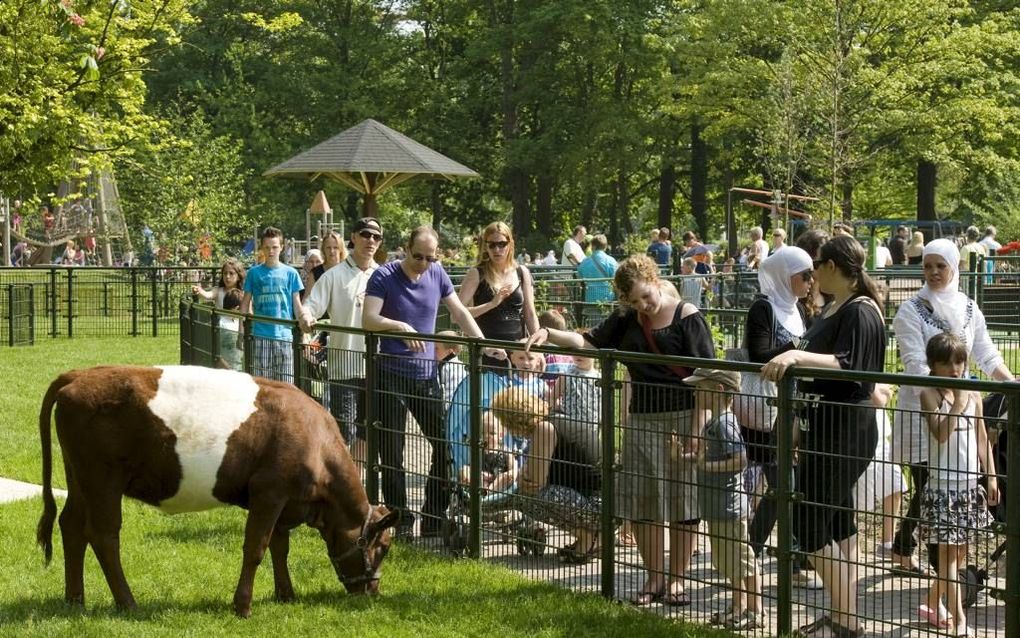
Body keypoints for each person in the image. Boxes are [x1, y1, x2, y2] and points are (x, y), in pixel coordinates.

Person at [525, 254, 714, 606]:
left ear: (654, 279)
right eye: (636, 301)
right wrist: (550, 334)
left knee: (684, 504)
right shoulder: (628, 318)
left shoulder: (688, 316)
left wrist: (697, 430)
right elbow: (590, 343)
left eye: (647, 296)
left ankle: (677, 580)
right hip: (642, 418)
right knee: (644, 505)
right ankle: (654, 578)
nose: (645, 305)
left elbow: (706, 380)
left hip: (684, 418)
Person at [760, 235, 887, 638]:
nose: (812, 273)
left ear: (833, 267)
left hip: (847, 429)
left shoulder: (861, 311)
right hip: (822, 427)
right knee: (840, 523)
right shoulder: (833, 307)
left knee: (810, 523)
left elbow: (851, 367)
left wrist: (795, 355)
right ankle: (840, 617)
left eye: (817, 265)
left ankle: (846, 622)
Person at [361, 225, 505, 538]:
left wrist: (482, 342)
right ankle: (400, 520)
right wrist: (400, 326)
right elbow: (368, 319)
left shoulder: (437, 273)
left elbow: (460, 312)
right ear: (404, 248)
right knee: (392, 451)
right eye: (418, 257)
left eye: (430, 257)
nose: (424, 263)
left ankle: (433, 516)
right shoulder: (384, 276)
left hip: (426, 376)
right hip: (390, 373)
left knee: (445, 444)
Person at [889, 238, 1014, 577]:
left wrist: (1011, 384)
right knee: (930, 485)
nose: (932, 272)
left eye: (940, 266)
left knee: (943, 487)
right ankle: (945, 576)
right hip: (926, 407)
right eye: (927, 266)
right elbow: (915, 363)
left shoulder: (969, 308)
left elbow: (986, 355)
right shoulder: (910, 310)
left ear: (953, 268)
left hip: (963, 410)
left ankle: (906, 550)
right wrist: (953, 393)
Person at [741, 247, 820, 588]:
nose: (809, 281)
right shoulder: (764, 307)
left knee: (784, 485)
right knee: (785, 484)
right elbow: (759, 353)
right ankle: (792, 561)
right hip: (763, 409)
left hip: (790, 408)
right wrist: (799, 351)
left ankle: (751, 551)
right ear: (785, 275)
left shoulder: (799, 309)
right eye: (804, 275)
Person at [917, 332, 998, 636]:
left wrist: (990, 476)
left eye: (960, 362)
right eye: (946, 363)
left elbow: (981, 438)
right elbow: (940, 434)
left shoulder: (974, 394)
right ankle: (960, 618)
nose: (955, 369)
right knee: (948, 556)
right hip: (943, 488)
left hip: (969, 487)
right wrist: (957, 402)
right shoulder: (930, 394)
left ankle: (929, 601)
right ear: (933, 365)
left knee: (960, 553)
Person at [683, 368, 764, 631]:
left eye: (699, 386)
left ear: (717, 390)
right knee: (730, 562)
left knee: (742, 561)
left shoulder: (724, 423)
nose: (695, 391)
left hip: (729, 507)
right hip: (717, 507)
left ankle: (755, 611)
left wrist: (706, 467)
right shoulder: (714, 421)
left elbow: (740, 460)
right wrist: (683, 458)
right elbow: (707, 458)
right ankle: (738, 607)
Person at [484, 388, 603, 563]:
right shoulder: (557, 416)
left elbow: (534, 483)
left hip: (597, 506)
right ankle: (590, 537)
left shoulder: (544, 429)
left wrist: (522, 476)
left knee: (525, 498)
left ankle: (590, 539)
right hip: (605, 503)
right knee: (527, 493)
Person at [300, 217, 384, 462]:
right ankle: (336, 486)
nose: (371, 241)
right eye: (366, 235)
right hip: (343, 368)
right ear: (354, 237)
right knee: (343, 434)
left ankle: (355, 485)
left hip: (376, 368)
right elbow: (310, 306)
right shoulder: (333, 276)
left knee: (370, 433)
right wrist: (306, 317)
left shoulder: (383, 276)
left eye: (376, 237)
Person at [457, 222, 540, 372]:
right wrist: (491, 304)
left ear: (510, 244)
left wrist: (537, 350)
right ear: (485, 246)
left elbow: (530, 313)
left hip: (518, 353)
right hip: (487, 351)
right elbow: (456, 315)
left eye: (502, 244)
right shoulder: (476, 274)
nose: (497, 249)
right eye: (492, 245)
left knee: (518, 396)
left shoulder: (522, 272)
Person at [240, 227, 305, 382]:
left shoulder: (291, 273)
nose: (271, 251)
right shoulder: (253, 273)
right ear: (262, 248)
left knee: (286, 385)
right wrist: (241, 332)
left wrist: (303, 329)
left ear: (281, 247)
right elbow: (245, 304)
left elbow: (297, 304)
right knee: (262, 385)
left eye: (275, 247)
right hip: (261, 335)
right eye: (267, 247)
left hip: (285, 336)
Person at [192, 258, 247, 370]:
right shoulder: (219, 290)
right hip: (220, 332)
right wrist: (200, 291)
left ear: (239, 275)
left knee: (235, 361)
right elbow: (208, 295)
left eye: (231, 273)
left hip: (236, 332)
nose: (227, 276)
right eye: (225, 273)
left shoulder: (244, 293)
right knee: (220, 360)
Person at [457, 410, 518, 494]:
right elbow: (472, 466)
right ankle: (475, 491)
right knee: (464, 469)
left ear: (501, 435)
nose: (487, 436)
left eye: (492, 433)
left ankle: (486, 492)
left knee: (505, 477)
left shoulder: (505, 451)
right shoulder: (479, 450)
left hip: (497, 485)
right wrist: (466, 471)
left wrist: (512, 472)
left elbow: (513, 468)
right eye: (483, 433)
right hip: (481, 480)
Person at [576, 234, 618, 326]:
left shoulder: (585, 262)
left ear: (593, 246)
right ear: (605, 246)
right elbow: (616, 281)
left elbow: (579, 280)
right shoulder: (611, 261)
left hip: (590, 299)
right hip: (608, 299)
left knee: (594, 329)